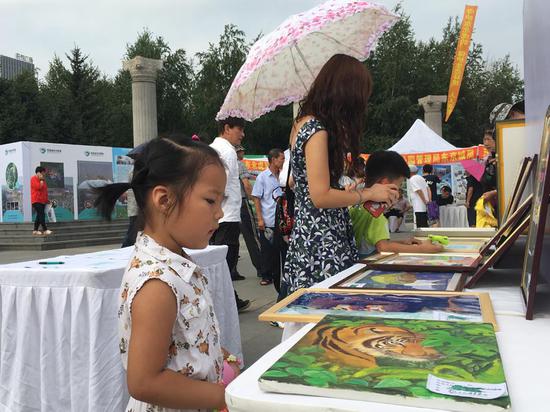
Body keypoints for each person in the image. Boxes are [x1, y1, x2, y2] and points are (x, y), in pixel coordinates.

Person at [93, 137, 239, 412]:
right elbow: (144, 382)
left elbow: (186, 339)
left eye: (222, 201)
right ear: (164, 199)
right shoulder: (157, 284)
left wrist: (220, 355)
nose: (219, 213)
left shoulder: (177, 263)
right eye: (211, 200)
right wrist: (225, 398)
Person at [281, 54, 399, 297]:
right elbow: (320, 196)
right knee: (330, 307)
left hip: (310, 236)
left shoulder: (301, 124)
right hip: (323, 240)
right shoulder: (317, 130)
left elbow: (300, 184)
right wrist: (367, 193)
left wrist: (344, 193)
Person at [349, 151, 443, 257]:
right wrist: (422, 249)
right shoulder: (376, 212)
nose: (398, 192)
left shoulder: (357, 203)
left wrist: (401, 243)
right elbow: (383, 247)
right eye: (399, 184)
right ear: (385, 183)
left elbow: (373, 242)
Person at [210, 117, 250, 312]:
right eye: (239, 130)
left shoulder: (213, 148)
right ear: (227, 128)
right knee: (225, 263)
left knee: (218, 261)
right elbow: (221, 184)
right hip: (228, 214)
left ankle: (230, 299)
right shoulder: (227, 151)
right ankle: (223, 302)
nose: (242, 135)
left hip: (218, 215)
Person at [252, 148, 285, 288]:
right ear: (273, 160)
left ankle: (281, 275)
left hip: (282, 221)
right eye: (281, 158)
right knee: (268, 250)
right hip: (268, 219)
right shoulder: (263, 177)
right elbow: (256, 198)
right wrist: (260, 219)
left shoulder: (284, 176)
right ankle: (266, 275)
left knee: (281, 249)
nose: (283, 161)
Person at [235, 145, 262, 278]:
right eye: (241, 150)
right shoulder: (239, 164)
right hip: (241, 203)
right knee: (252, 236)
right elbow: (246, 183)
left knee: (233, 240)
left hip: (228, 206)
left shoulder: (223, 164)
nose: (243, 152)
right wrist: (253, 198)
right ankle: (261, 267)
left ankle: (232, 270)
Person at [30, 166, 52, 236]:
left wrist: (47, 200)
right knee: (41, 214)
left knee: (39, 216)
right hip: (36, 200)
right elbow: (38, 187)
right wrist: (41, 181)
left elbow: (44, 191)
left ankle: (35, 230)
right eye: (43, 172)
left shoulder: (43, 180)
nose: (44, 174)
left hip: (42, 201)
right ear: (39, 172)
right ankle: (45, 230)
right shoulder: (33, 179)